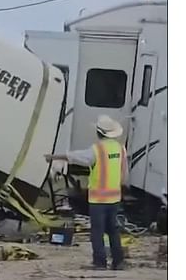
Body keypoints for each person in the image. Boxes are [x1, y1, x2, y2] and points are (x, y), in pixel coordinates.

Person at [44, 115, 128, 270]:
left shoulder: (97, 150)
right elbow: (124, 177)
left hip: (98, 200)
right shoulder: (120, 149)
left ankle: (100, 263)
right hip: (114, 198)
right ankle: (119, 261)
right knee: (113, 231)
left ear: (98, 132)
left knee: (97, 232)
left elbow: (76, 157)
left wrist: (54, 157)